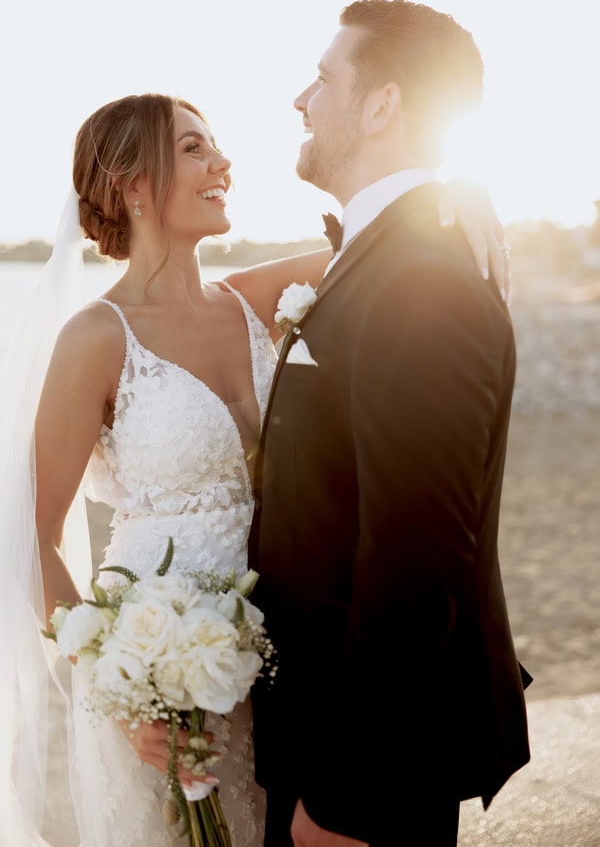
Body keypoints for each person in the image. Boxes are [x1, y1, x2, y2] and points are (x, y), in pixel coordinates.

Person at [0, 92, 508, 847]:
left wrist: (458, 194)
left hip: (283, 658)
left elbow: (383, 245)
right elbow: (32, 535)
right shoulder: (96, 336)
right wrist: (119, 688)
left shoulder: (250, 299)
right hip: (161, 679)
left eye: (215, 145)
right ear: (135, 185)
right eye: (195, 149)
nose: (223, 164)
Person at [249, 0, 531, 847]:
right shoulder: (382, 256)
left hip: (366, 766)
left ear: (382, 106)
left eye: (322, 79)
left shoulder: (422, 281)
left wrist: (348, 799)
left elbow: (415, 560)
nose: (300, 98)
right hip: (321, 723)